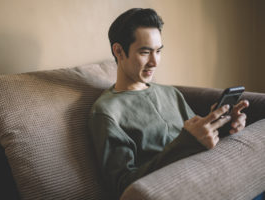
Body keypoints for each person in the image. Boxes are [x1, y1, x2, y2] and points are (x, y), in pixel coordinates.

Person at [88, 8, 249, 199]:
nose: (155, 62)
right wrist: (187, 142)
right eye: (145, 52)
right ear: (119, 51)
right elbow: (123, 186)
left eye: (158, 51)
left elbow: (198, 140)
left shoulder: (170, 93)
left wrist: (224, 125)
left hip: (215, 181)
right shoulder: (107, 112)